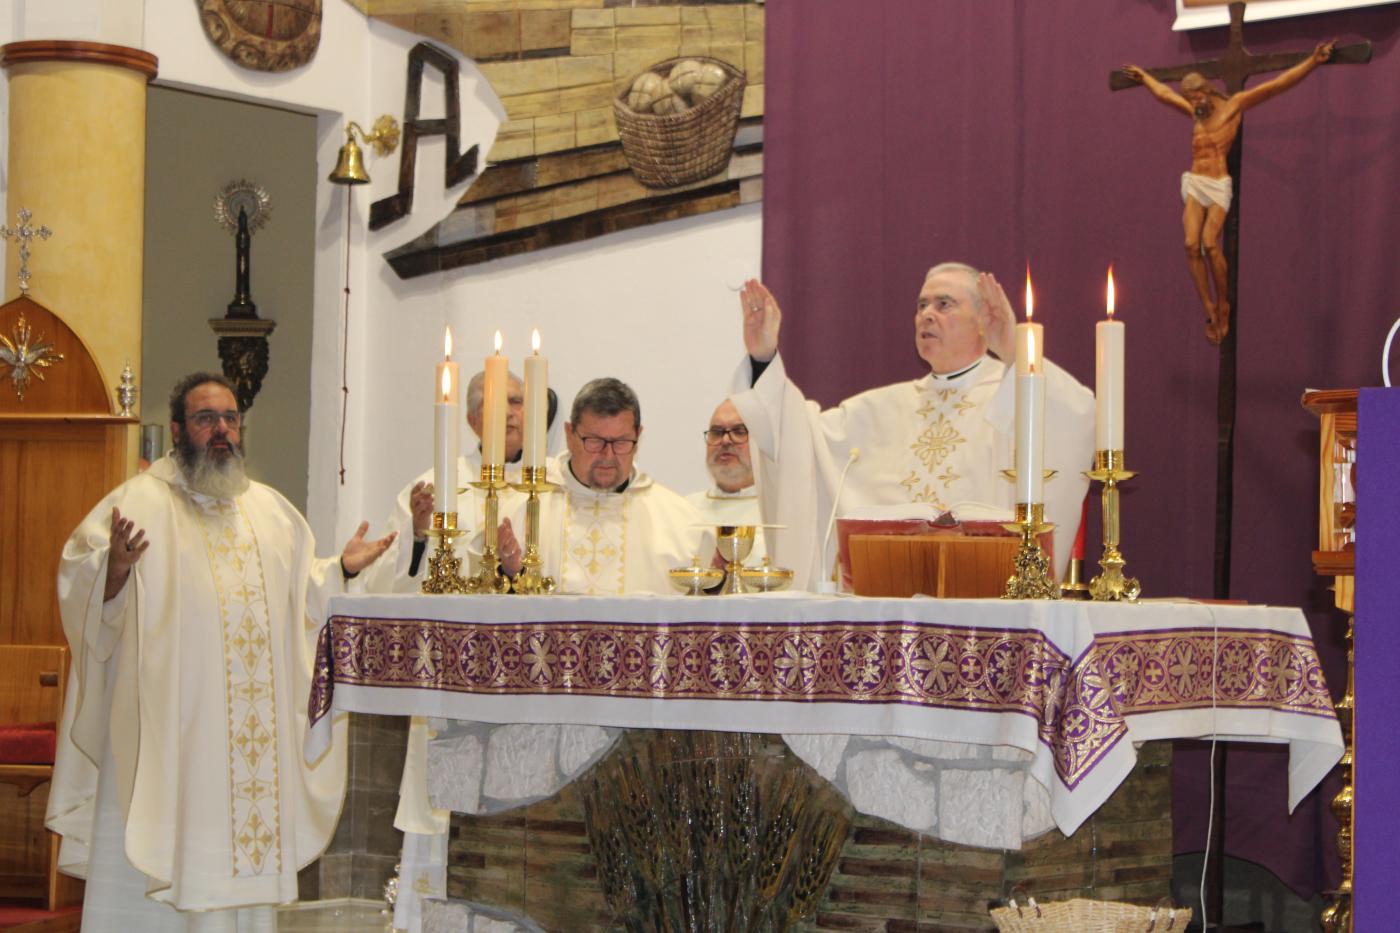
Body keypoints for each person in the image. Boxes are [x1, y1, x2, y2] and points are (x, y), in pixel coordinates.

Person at [46, 372, 394, 931]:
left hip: (248, 749)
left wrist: (343, 570)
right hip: (172, 736)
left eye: (231, 418)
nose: (223, 431)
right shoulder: (137, 502)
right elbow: (80, 581)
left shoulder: (272, 513)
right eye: (207, 419)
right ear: (179, 429)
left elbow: (303, 601)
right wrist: (113, 567)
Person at [732, 264, 1095, 591]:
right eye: (922, 306)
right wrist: (764, 358)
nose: (927, 315)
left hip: (985, 601)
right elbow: (795, 436)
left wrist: (1016, 350)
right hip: (891, 607)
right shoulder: (879, 409)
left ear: (985, 318)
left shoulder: (1015, 394)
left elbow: (1074, 418)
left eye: (944, 304)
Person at [1123, 41, 1334, 344]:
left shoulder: (1233, 106)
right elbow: (1165, 95)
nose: (1193, 104)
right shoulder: (1194, 113)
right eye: (1190, 99)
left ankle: (1223, 303)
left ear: (1207, 91)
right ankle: (1207, 304)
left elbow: (1276, 85)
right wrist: (1145, 78)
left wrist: (1313, 61)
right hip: (1196, 181)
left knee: (1210, 243)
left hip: (1218, 183)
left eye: (1196, 97)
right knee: (1190, 244)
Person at [495, 377, 705, 594]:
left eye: (621, 442)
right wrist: (510, 572)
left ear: (638, 437)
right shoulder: (521, 510)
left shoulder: (678, 521)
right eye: (595, 441)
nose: (607, 455)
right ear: (569, 435)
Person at [364, 369, 555, 593]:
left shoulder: (555, 482)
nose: (507, 413)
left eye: (515, 401)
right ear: (472, 421)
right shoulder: (434, 486)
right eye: (493, 403)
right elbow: (381, 584)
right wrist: (417, 534)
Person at [686, 399, 766, 561]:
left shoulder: (778, 512)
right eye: (717, 432)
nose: (725, 440)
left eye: (739, 431)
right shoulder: (685, 510)